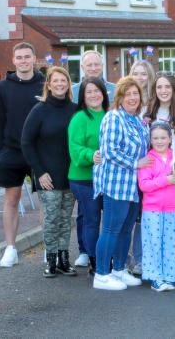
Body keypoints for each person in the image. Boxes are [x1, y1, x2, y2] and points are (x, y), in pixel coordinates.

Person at [92, 77, 151, 291]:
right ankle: (101, 274)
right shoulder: (113, 117)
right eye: (128, 94)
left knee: (126, 229)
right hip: (116, 183)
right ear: (120, 97)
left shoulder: (137, 119)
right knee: (110, 228)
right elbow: (109, 151)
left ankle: (118, 269)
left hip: (134, 185)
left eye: (136, 94)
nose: (133, 98)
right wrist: (137, 163)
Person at [21, 66, 79, 277]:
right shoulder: (40, 110)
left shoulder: (75, 110)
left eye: (64, 80)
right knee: (51, 219)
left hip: (70, 175)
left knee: (66, 219)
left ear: (68, 84)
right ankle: (51, 259)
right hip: (48, 177)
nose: (60, 84)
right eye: (56, 81)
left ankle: (64, 259)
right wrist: (39, 172)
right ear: (49, 84)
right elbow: (27, 142)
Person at [0, 43, 45, 268]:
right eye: (19, 57)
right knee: (11, 200)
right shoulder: (2, 87)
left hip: (40, 152)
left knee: (45, 201)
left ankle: (48, 248)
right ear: (13, 60)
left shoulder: (45, 85)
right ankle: (10, 248)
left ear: (34, 58)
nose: (23, 61)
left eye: (27, 57)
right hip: (11, 152)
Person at [137, 121, 175, 292]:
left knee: (169, 241)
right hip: (152, 208)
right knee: (154, 241)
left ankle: (169, 274)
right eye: (155, 138)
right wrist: (166, 180)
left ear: (170, 139)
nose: (159, 141)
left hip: (173, 208)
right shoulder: (148, 159)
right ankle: (155, 277)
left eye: (163, 137)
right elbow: (144, 185)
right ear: (150, 140)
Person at [68, 77, 108, 273]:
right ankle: (94, 260)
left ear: (103, 92)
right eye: (89, 92)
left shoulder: (111, 114)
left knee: (109, 221)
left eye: (97, 90)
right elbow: (75, 149)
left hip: (109, 178)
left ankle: (107, 256)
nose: (94, 95)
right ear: (83, 96)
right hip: (85, 179)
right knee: (92, 220)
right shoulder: (80, 118)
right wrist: (91, 155)